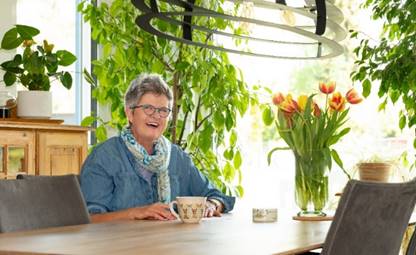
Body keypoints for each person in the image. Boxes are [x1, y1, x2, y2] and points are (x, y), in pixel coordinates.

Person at [80, 73, 235, 222]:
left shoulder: (177, 157)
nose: (156, 115)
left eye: (163, 110)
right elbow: (90, 220)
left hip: (169, 246)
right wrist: (136, 212)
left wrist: (212, 204)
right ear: (130, 113)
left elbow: (216, 195)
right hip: (119, 247)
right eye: (148, 108)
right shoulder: (104, 157)